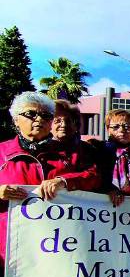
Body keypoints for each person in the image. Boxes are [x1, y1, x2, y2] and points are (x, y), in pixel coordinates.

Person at [0, 92, 100, 266]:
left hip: (58, 248)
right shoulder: (2, 152)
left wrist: (63, 180)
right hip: (8, 249)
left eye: (46, 116)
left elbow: (93, 177)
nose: (39, 119)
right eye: (31, 114)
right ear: (16, 119)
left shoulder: (68, 154)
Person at [51, 100, 101, 191]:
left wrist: (64, 181)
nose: (63, 125)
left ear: (76, 125)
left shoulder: (88, 149)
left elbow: (94, 176)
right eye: (57, 121)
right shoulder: (40, 149)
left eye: (68, 121)